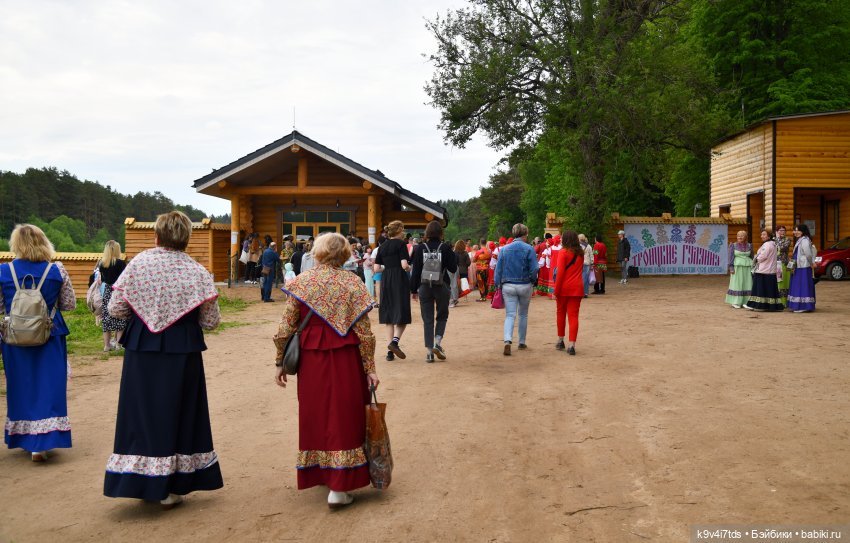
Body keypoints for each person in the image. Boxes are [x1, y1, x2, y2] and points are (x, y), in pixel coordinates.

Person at [103, 211, 222, 508]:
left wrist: (145, 313)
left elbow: (116, 309)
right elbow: (210, 321)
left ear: (156, 235)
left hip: (143, 347)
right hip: (183, 349)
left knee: (141, 413)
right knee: (181, 413)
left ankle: (144, 482)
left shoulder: (138, 263)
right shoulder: (197, 271)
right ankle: (173, 484)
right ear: (187, 238)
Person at [274, 233, 378, 509]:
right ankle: (340, 488)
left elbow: (285, 327)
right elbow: (364, 333)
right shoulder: (352, 283)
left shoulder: (301, 281)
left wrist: (278, 362)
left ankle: (322, 472)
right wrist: (370, 368)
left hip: (311, 359)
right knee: (345, 415)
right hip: (346, 356)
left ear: (317, 253)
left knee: (316, 414)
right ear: (344, 255)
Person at [1, 224, 76, 462]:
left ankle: (25, 438)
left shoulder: (4, 271)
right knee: (49, 386)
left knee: (20, 386)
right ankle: (41, 444)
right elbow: (69, 304)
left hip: (14, 337)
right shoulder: (57, 270)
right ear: (44, 242)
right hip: (49, 333)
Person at [410, 221, 458, 362]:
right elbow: (453, 269)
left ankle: (430, 352)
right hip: (441, 285)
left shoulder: (420, 248)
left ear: (427, 233)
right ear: (440, 233)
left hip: (424, 286)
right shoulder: (445, 248)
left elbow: (416, 271)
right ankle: (438, 342)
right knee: (442, 315)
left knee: (427, 318)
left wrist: (413, 289)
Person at [493, 224, 538, 356]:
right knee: (523, 314)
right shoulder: (529, 248)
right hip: (525, 284)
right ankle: (522, 342)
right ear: (525, 234)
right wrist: (532, 279)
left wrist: (497, 285)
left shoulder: (504, 249)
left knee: (510, 315)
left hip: (508, 285)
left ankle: (507, 340)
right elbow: (535, 268)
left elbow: (498, 269)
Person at [374, 220, 412, 361]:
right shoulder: (401, 244)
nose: (403, 232)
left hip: (386, 280)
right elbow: (404, 265)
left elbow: (376, 268)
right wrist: (409, 268)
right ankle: (395, 342)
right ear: (398, 230)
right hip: (399, 279)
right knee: (402, 312)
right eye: (402, 229)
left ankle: (389, 352)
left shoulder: (382, 246)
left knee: (389, 315)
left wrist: (387, 269)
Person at [553, 230, 585, 355]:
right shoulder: (580, 253)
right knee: (573, 316)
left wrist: (556, 291)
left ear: (565, 239)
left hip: (564, 288)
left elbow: (560, 273)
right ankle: (572, 345)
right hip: (577, 288)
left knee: (560, 313)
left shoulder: (563, 252)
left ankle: (561, 340)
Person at [744, 229, 784, 312]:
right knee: (769, 290)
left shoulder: (767, 245)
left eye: (764, 234)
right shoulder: (773, 244)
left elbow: (762, 256)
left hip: (763, 270)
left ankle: (758, 305)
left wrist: (755, 259)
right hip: (770, 270)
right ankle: (771, 306)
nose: (762, 236)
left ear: (769, 236)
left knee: (759, 289)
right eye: (761, 234)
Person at [99, 240, 128, 351]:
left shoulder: (102, 263)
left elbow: (102, 279)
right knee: (120, 316)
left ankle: (106, 345)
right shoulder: (120, 263)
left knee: (106, 317)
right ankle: (118, 344)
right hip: (118, 291)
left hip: (107, 291)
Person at [787, 224, 817, 313]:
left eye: (797, 230)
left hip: (803, 266)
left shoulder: (804, 240)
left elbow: (808, 253)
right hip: (798, 266)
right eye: (794, 230)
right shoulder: (801, 240)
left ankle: (803, 306)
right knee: (798, 285)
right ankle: (797, 305)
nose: (795, 232)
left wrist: (811, 263)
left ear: (802, 231)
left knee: (802, 285)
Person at [725, 230, 753, 309]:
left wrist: (753, 267)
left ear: (745, 237)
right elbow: (730, 257)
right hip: (737, 267)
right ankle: (736, 302)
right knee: (737, 283)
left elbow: (752, 257)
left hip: (747, 267)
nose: (740, 237)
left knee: (747, 283)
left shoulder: (750, 245)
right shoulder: (733, 245)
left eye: (742, 235)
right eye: (738, 235)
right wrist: (731, 268)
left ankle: (746, 302)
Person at [774, 225, 792, 306]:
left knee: (785, 282)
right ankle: (777, 301)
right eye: (780, 230)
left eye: (783, 230)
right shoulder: (773, 240)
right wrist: (777, 238)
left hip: (784, 264)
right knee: (777, 283)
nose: (782, 232)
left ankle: (784, 302)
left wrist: (777, 239)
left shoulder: (787, 239)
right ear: (777, 232)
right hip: (775, 264)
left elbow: (782, 248)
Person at [451, 239, 471, 307]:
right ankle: (465, 297)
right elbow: (468, 263)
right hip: (464, 270)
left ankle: (456, 297)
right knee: (464, 283)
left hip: (456, 270)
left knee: (456, 284)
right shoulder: (465, 253)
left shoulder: (454, 253)